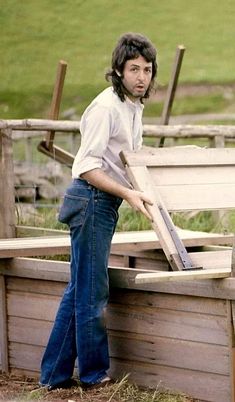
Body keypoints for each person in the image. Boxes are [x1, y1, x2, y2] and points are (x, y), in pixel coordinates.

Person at [40, 32, 158, 391]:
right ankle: (94, 376)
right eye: (133, 68)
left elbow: (126, 156)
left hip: (103, 202)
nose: (141, 76)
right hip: (91, 199)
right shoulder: (106, 107)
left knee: (81, 289)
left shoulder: (131, 106)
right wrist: (127, 192)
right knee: (91, 293)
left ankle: (54, 376)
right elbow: (87, 166)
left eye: (147, 69)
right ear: (118, 71)